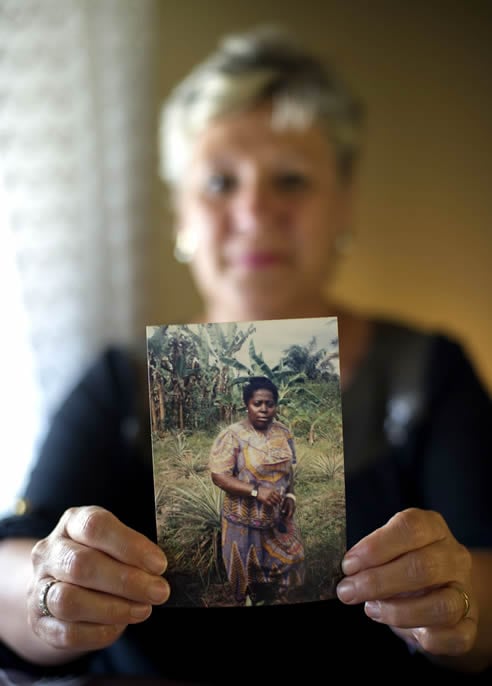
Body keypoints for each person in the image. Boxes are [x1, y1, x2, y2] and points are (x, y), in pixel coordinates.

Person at [0, 24, 492, 683]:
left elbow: (486, 574)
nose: (256, 211)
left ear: (343, 202)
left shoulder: (425, 376)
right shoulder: (121, 387)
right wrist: (48, 596)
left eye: (291, 180)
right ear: (180, 212)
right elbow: (14, 560)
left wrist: (459, 602)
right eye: (220, 182)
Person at [208, 376, 305, 605]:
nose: (264, 409)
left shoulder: (283, 433)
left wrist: (290, 495)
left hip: (276, 518)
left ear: (275, 406)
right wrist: (255, 491)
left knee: (292, 562)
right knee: (245, 580)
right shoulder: (233, 435)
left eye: (269, 404)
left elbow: (288, 470)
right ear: (247, 405)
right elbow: (219, 476)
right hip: (243, 522)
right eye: (257, 404)